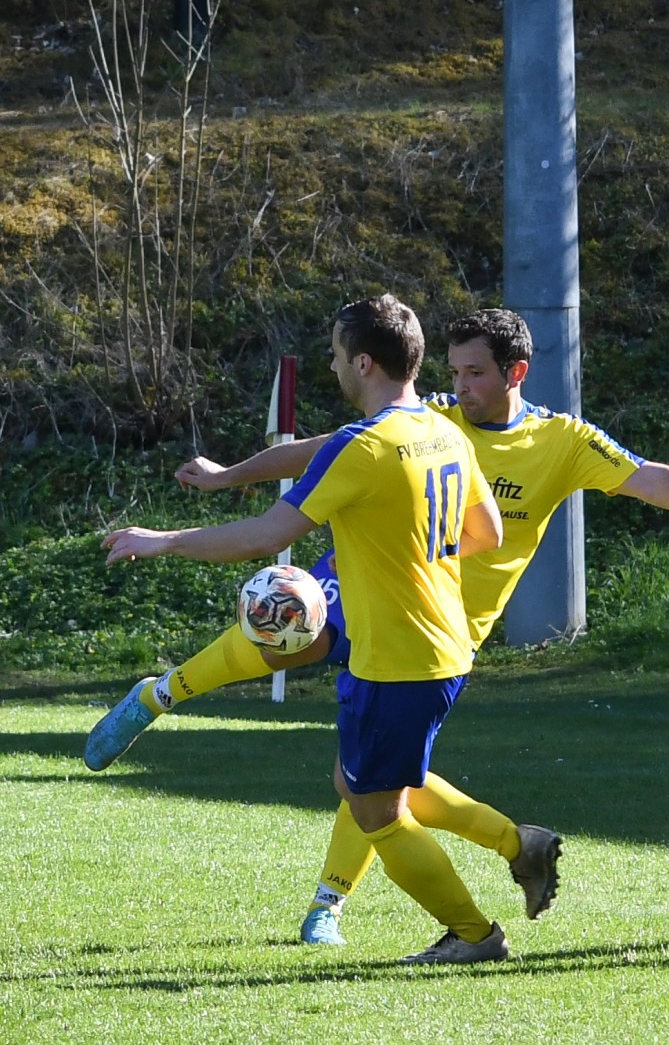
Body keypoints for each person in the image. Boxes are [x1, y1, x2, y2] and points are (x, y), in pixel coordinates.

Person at [90, 307, 669, 944]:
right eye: (453, 371)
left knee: (370, 785)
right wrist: (229, 476)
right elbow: (321, 451)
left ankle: (348, 905)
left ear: (516, 374)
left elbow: (647, 477)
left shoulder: (559, 441)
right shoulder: (437, 420)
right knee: (290, 631)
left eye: (475, 373)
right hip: (380, 590)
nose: (462, 385)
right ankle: (161, 694)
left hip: (436, 624)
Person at [100, 294, 525, 965]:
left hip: (395, 658)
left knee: (375, 812)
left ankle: (474, 934)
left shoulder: (364, 446)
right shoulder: (446, 432)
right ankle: (515, 847)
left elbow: (267, 535)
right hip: (444, 647)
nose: (330, 365)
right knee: (360, 785)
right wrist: (406, 559)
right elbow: (488, 532)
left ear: (363, 361)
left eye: (334, 354)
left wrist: (164, 539)